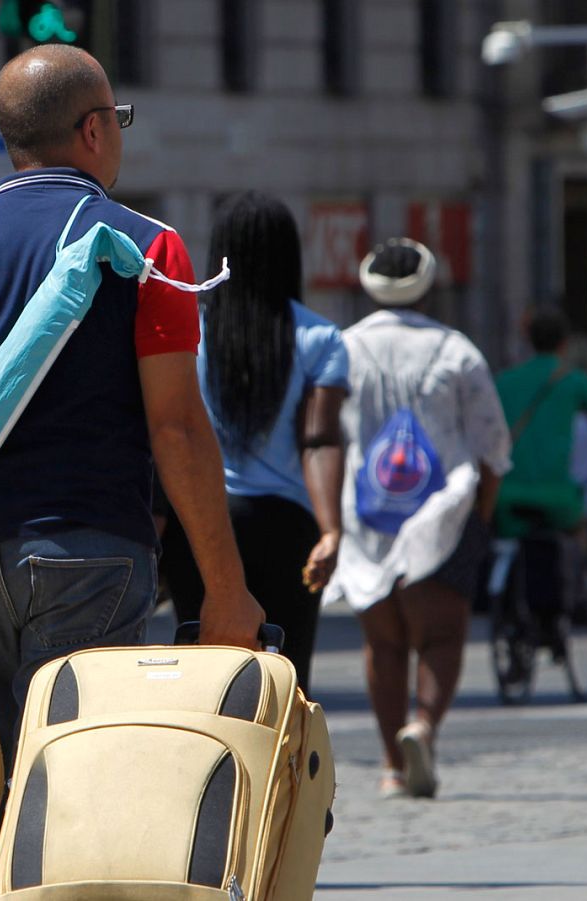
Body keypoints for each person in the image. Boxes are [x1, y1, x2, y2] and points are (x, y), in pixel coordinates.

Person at [0, 44, 264, 751]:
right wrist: (225, 588)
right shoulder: (147, 247)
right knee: (68, 776)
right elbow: (174, 425)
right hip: (88, 550)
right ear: (93, 130)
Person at [324, 238, 512, 799]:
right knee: (442, 636)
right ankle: (423, 728)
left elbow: (323, 436)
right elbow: (492, 443)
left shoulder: (344, 349)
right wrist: (482, 512)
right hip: (443, 513)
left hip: (366, 514)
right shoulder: (457, 351)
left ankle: (389, 765)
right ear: (428, 285)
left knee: (382, 645)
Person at [179, 190, 348, 693]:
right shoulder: (320, 338)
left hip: (202, 525)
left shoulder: (190, 332)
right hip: (288, 527)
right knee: (290, 679)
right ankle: (287, 769)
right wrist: (331, 530)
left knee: (204, 681)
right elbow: (319, 439)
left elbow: (170, 430)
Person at [493, 306, 587, 538]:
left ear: (529, 340)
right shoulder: (575, 380)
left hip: (507, 495)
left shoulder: (504, 381)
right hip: (558, 497)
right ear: (564, 343)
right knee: (582, 531)